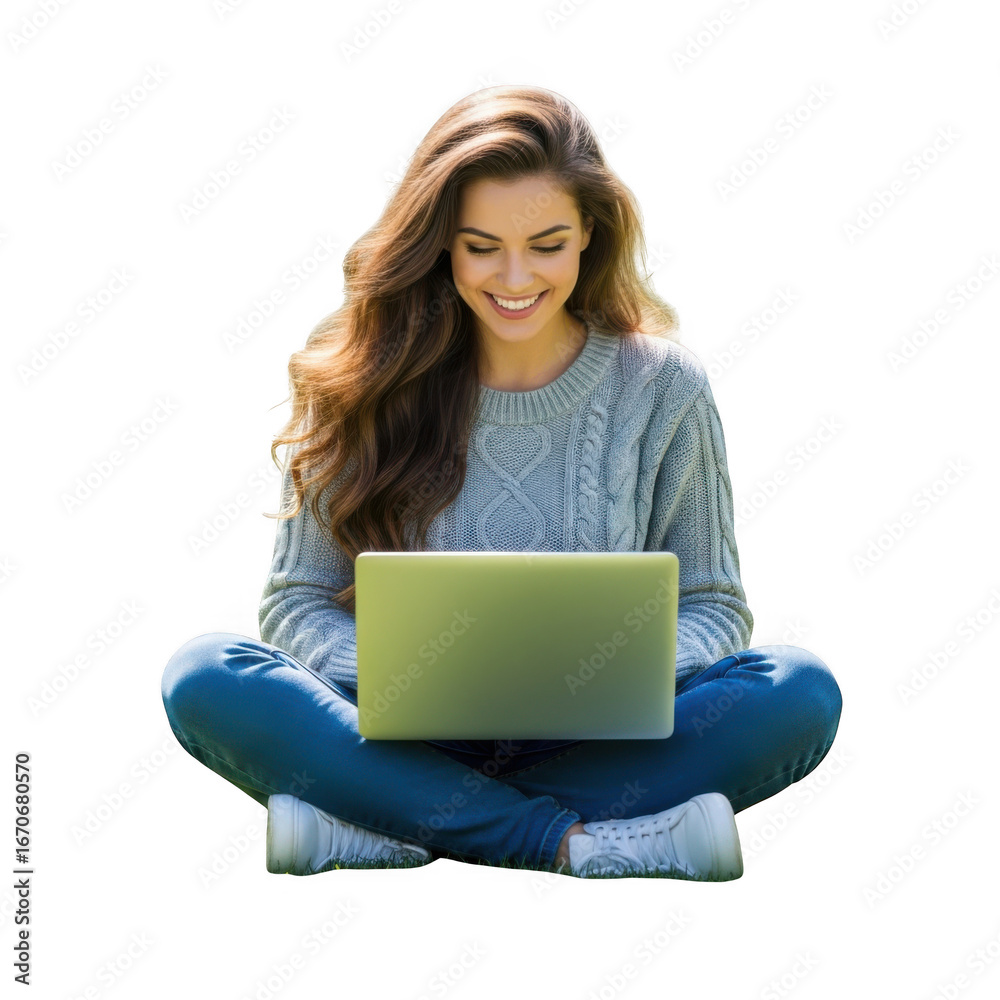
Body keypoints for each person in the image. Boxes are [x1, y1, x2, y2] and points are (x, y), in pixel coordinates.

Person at [160, 85, 842, 880]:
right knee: (207, 673)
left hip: (604, 736)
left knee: (797, 689)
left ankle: (384, 819)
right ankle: (575, 841)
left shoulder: (664, 389)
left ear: (591, 231)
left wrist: (617, 670)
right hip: (394, 730)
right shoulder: (362, 378)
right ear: (441, 244)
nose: (514, 278)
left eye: (547, 244)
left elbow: (715, 603)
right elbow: (295, 600)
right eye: (481, 246)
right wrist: (397, 675)